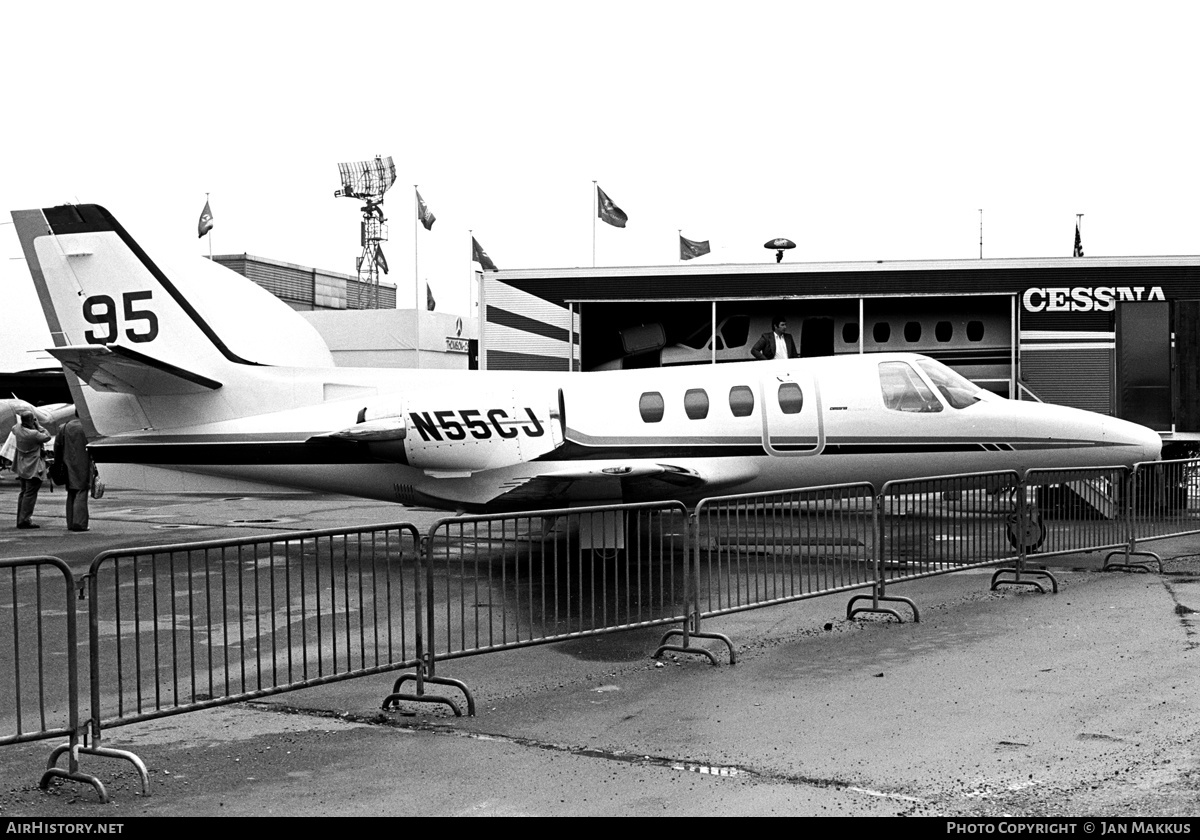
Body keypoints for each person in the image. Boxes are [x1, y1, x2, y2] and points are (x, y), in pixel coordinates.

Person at [12, 410, 51, 529]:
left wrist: (29, 422)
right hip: (33, 467)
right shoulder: (33, 434)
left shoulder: (17, 429)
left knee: (23, 492)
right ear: (30, 421)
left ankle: (20, 518)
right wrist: (38, 425)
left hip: (22, 466)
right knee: (30, 494)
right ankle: (25, 520)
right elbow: (47, 436)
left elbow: (15, 427)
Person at [54, 413, 93, 532]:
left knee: (71, 492)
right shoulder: (88, 427)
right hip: (84, 463)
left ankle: (70, 522)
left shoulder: (64, 427)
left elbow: (57, 446)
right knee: (81, 491)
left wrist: (58, 461)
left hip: (67, 462)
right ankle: (80, 523)